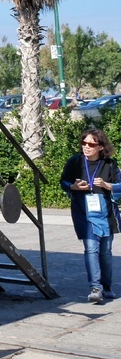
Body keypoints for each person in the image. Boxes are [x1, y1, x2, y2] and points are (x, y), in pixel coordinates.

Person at [60, 128, 121, 304]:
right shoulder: (75, 162)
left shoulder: (110, 164)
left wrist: (108, 185)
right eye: (84, 143)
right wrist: (74, 187)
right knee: (91, 248)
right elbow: (64, 181)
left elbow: (120, 185)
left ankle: (107, 285)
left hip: (105, 213)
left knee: (105, 252)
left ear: (101, 147)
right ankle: (95, 288)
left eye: (91, 144)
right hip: (83, 211)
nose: (86, 147)